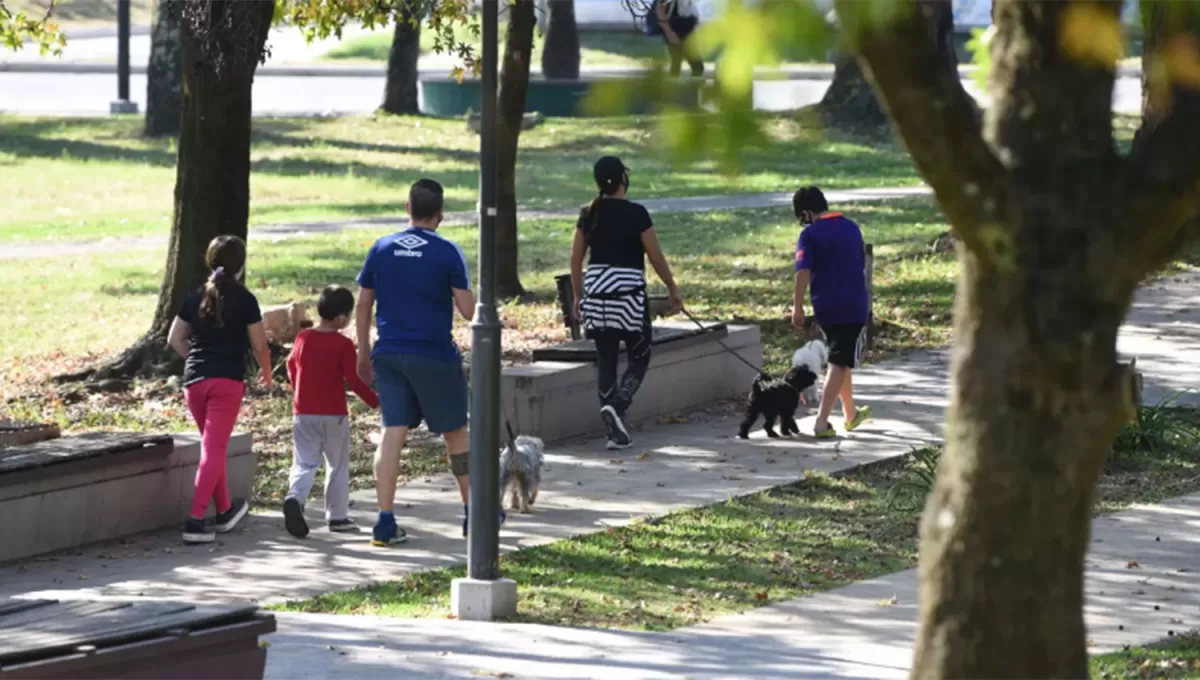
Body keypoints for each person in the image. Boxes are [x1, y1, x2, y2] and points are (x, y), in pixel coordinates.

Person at [356, 178, 501, 546]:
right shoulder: (448, 252)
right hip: (434, 354)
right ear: (440, 215)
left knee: (393, 432)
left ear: (407, 208)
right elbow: (469, 311)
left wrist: (362, 350)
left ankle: (385, 520)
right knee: (455, 433)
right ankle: (474, 513)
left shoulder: (381, 248)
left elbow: (363, 304)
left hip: (388, 353)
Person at [571, 156, 683, 450]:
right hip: (628, 298)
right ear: (623, 180)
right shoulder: (637, 213)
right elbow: (655, 256)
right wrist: (672, 287)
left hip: (596, 295)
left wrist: (578, 296)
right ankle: (618, 408)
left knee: (606, 357)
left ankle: (613, 432)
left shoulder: (588, 213)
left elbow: (575, 260)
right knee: (640, 353)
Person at [168, 235, 271, 545]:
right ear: (241, 266)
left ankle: (225, 510)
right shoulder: (245, 299)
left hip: (194, 383)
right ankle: (196, 521)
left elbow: (175, 338)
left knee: (214, 448)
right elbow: (260, 345)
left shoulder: (196, 295)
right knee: (213, 450)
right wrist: (267, 373)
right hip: (226, 382)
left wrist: (196, 362)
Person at [283, 285, 380, 539]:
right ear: (339, 317)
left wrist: (298, 389)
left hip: (302, 412)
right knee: (336, 464)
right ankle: (337, 516)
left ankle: (295, 496)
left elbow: (291, 365)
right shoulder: (343, 344)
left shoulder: (302, 338)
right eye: (347, 315)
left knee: (304, 461)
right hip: (334, 413)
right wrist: (374, 401)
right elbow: (354, 379)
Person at [791, 186, 872, 438]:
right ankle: (821, 422)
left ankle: (850, 414)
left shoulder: (810, 234)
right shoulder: (852, 227)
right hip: (853, 304)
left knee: (840, 357)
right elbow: (860, 263)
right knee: (840, 360)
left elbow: (802, 271)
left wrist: (798, 305)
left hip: (825, 305)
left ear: (806, 213)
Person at [652, 0, 704, 77]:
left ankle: (676, 83)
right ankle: (675, 83)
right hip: (677, 26)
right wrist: (666, 27)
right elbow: (660, 8)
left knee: (683, 63)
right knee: (682, 62)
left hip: (686, 25)